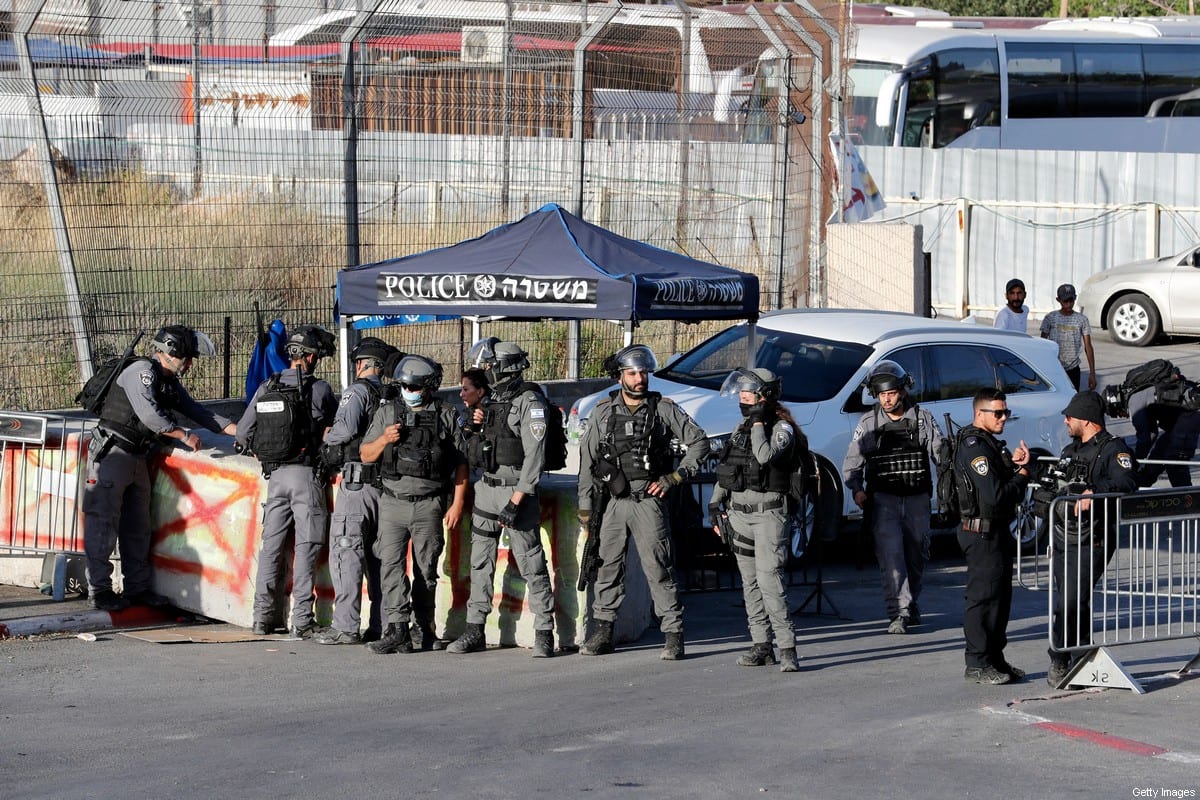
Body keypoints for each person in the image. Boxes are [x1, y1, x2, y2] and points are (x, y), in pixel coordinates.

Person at [83, 324, 237, 611]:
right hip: (112, 454)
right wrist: (182, 434)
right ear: (171, 352)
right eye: (187, 358)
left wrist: (239, 431)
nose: (190, 364)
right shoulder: (141, 372)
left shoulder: (168, 382)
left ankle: (137, 589)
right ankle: (100, 591)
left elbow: (199, 412)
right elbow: (150, 416)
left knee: (138, 528)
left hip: (138, 457)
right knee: (103, 525)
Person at [577, 344, 708, 661]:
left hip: (649, 500)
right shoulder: (603, 412)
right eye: (633, 373)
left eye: (644, 372)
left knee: (658, 568)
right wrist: (585, 508)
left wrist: (673, 479)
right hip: (613, 502)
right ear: (621, 376)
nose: (640, 379)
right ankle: (604, 631)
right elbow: (587, 462)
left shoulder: (664, 409)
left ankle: (673, 634)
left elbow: (699, 443)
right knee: (607, 567)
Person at [446, 339, 556, 658]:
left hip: (515, 491)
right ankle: (474, 629)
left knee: (530, 561)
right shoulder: (491, 400)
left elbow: (534, 458)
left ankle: (544, 631)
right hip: (486, 490)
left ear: (503, 367)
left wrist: (517, 499)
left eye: (489, 366)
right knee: (480, 563)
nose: (485, 372)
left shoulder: (530, 402)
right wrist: (475, 425)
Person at [359, 354, 467, 654]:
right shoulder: (388, 412)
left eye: (414, 386)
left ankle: (424, 627)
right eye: (404, 385)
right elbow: (366, 454)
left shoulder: (445, 413)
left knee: (426, 569)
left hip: (430, 504)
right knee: (390, 565)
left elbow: (461, 464)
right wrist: (384, 440)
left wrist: (456, 504)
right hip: (392, 502)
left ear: (428, 387)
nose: (409, 390)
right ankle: (397, 629)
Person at [237, 324, 339, 638]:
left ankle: (262, 618)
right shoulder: (319, 389)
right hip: (307, 477)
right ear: (308, 357)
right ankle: (301, 621)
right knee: (306, 549)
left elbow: (243, 433)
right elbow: (337, 432)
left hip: (276, 477)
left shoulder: (268, 385)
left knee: (272, 549)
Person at [708, 367, 801, 673]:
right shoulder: (741, 427)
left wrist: (759, 421)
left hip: (769, 515)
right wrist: (714, 504)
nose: (743, 398)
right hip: (739, 515)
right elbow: (729, 466)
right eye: (743, 393)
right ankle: (761, 645)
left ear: (766, 396)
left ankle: (787, 647)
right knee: (749, 583)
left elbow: (764, 456)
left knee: (769, 581)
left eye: (749, 393)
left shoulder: (781, 429)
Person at [841, 360, 944, 634]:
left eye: (891, 393)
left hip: (917, 499)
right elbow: (852, 464)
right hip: (883, 501)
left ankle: (911, 605)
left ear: (903, 391)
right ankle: (898, 612)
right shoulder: (869, 423)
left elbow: (940, 456)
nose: (886, 399)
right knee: (891, 559)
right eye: (881, 394)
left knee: (917, 557)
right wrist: (857, 490)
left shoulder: (923, 419)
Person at [1046, 390, 1138, 688]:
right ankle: (1071, 657)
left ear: (1086, 419)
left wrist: (1094, 492)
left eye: (1069, 416)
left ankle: (1067, 658)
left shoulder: (1114, 449)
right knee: (1067, 601)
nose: (1065, 421)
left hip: (1093, 537)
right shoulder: (1071, 450)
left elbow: (1127, 481)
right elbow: (1055, 481)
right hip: (1063, 536)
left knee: (1073, 599)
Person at [312, 337, 399, 646]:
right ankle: (383, 625)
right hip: (387, 489)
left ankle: (346, 626)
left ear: (362, 364)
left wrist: (327, 436)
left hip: (357, 485)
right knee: (382, 559)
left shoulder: (356, 392)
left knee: (347, 554)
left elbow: (345, 431)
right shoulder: (395, 395)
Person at [953, 388, 1032, 685]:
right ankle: (976, 662)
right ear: (979, 413)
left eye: (1005, 412)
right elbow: (995, 495)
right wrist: (1022, 476)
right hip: (980, 532)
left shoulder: (988, 444)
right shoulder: (974, 446)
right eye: (997, 413)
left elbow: (997, 481)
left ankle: (995, 659)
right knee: (982, 599)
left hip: (995, 532)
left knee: (1000, 599)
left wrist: (1014, 464)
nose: (1003, 418)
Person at [1128, 381, 1200, 489]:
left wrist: (1135, 461)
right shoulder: (1138, 392)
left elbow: (1145, 438)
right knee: (1157, 457)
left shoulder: (1134, 404)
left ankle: (1188, 500)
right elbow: (1152, 433)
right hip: (1179, 426)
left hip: (1186, 424)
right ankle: (1140, 488)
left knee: (1174, 464)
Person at [1040, 283, 1096, 391]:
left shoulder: (1082, 319)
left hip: (1073, 369)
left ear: (1075, 298)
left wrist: (1092, 374)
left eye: (1071, 301)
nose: (1069, 304)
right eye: (1065, 301)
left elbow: (1088, 346)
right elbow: (1042, 345)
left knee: (1073, 400)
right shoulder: (1050, 318)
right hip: (1054, 368)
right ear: (1058, 300)